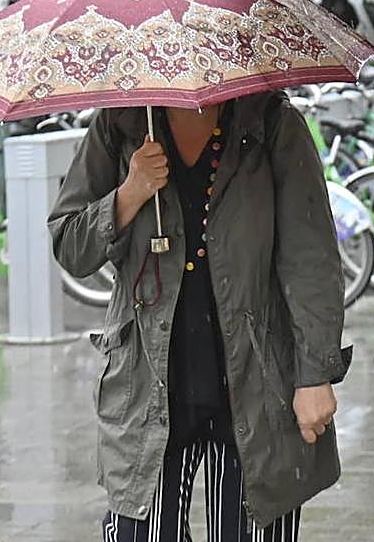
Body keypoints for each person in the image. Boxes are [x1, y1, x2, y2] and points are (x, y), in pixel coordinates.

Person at [49, 91, 348, 541]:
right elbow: (70, 245)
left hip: (256, 378)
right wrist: (129, 195)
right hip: (150, 381)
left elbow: (311, 259)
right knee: (139, 532)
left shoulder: (270, 122)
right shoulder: (121, 123)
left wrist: (314, 375)